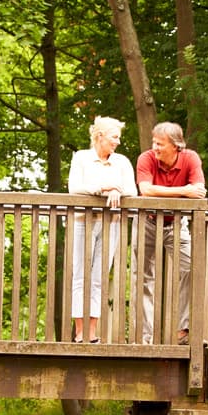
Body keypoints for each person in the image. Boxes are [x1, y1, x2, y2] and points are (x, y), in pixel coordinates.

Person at [68, 116, 138, 342]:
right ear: (100, 136)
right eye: (114, 137)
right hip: (82, 222)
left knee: (98, 277)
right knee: (80, 275)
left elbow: (132, 191)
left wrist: (117, 190)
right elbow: (74, 188)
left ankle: (92, 332)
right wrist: (102, 188)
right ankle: (80, 332)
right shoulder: (81, 158)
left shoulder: (122, 162)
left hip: (111, 224)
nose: (117, 142)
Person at [135, 121, 205, 344]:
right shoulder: (146, 158)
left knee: (191, 268)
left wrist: (166, 193)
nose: (155, 147)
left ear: (176, 146)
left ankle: (183, 331)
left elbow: (200, 191)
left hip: (176, 223)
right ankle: (145, 338)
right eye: (154, 142)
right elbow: (145, 190)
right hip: (147, 221)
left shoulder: (190, 158)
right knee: (144, 278)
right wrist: (183, 191)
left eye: (160, 144)